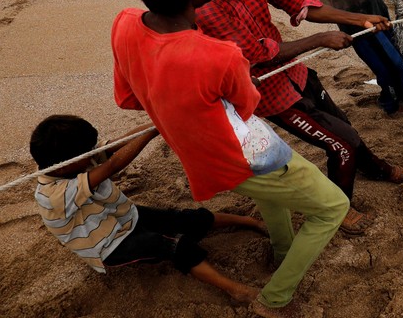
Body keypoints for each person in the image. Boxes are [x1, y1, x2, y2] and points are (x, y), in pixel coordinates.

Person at [111, 0, 349, 318]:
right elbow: (247, 104)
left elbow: (129, 97)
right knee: (332, 208)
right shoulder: (217, 55)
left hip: (198, 156)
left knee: (271, 195)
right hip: (241, 153)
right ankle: (276, 299)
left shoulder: (126, 22)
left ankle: (281, 248)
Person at [179, 0, 403, 236]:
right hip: (266, 93)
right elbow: (254, 54)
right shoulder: (202, 6)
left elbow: (295, 2)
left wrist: (356, 20)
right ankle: (339, 210)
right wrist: (320, 38)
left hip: (294, 72)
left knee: (343, 127)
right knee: (341, 144)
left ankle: (374, 168)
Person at [30, 115, 263, 302]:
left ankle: (251, 223)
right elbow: (113, 164)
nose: (94, 153)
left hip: (124, 215)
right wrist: (155, 130)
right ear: (62, 167)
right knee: (177, 246)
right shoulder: (54, 195)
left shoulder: (71, 159)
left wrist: (156, 120)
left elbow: (116, 146)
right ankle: (235, 290)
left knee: (187, 219)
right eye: (88, 152)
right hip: (109, 245)